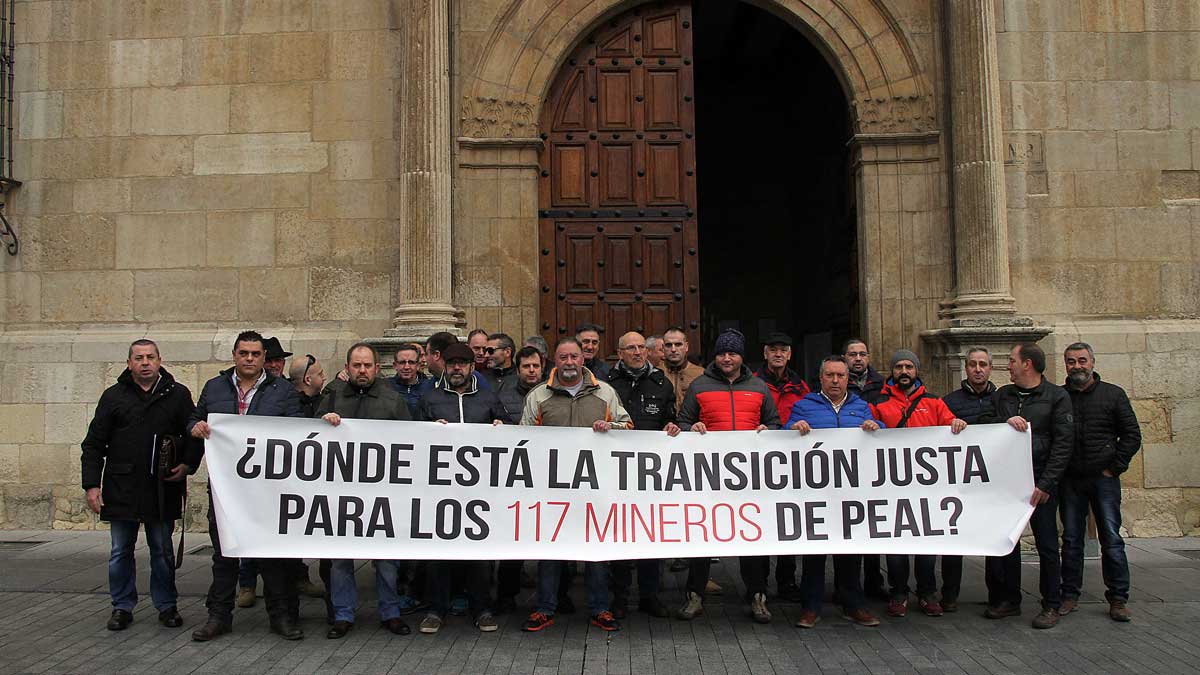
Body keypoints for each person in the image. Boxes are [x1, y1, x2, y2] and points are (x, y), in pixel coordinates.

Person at [188, 331, 306, 642]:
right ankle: (218, 616)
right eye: (244, 353)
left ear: (264, 358)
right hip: (226, 489)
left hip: (268, 490)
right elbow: (194, 418)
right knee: (224, 554)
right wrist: (194, 427)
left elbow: (296, 430)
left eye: (255, 354)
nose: (250, 359)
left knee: (274, 555)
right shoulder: (215, 387)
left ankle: (282, 616)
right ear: (234, 355)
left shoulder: (282, 390)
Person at [81, 339, 196, 631]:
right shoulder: (113, 396)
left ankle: (167, 605)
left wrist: (187, 465)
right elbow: (94, 444)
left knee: (162, 550)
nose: (145, 362)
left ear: (160, 360)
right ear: (129, 363)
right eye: (138, 358)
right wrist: (92, 486)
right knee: (120, 551)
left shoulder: (178, 395)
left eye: (150, 357)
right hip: (122, 487)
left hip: (162, 488)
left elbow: (194, 433)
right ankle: (121, 606)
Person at [520, 338, 631, 633]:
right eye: (563, 357)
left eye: (574, 357)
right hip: (552, 488)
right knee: (551, 550)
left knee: (595, 551)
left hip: (595, 488)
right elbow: (523, 437)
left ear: (583, 360)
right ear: (554, 361)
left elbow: (627, 426)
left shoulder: (605, 392)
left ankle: (600, 608)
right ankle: (544, 608)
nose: (569, 362)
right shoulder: (538, 395)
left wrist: (612, 428)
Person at [670, 329, 781, 624]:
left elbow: (774, 422)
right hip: (709, 477)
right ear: (715, 356)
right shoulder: (700, 385)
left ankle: (757, 595)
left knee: (752, 538)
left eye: (732, 353)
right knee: (703, 537)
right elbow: (683, 421)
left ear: (741, 356)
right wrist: (692, 428)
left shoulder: (758, 387)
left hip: (750, 479)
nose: (727, 358)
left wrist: (768, 432)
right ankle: (694, 595)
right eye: (721, 353)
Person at [317, 343, 415, 639]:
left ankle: (391, 612)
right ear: (347, 368)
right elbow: (310, 438)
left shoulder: (392, 400)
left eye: (367, 366)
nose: (362, 371)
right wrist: (324, 422)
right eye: (356, 365)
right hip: (342, 492)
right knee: (341, 558)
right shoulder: (332, 396)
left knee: (386, 560)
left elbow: (412, 441)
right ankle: (343, 615)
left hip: (381, 492)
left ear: (376, 368)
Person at [413, 342, 507, 634]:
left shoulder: (488, 398)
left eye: (462, 363)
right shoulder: (431, 398)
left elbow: (510, 430)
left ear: (470, 367)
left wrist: (501, 425)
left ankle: (481, 609)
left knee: (478, 554)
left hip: (479, 492)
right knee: (440, 553)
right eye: (452, 362)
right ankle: (436, 609)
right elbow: (412, 435)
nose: (456, 368)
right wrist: (429, 430)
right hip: (441, 491)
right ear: (445, 365)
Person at [786, 355, 883, 629]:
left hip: (851, 492)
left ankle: (853, 605)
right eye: (830, 375)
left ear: (848, 378)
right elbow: (783, 435)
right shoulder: (804, 406)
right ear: (821, 377)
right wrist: (793, 428)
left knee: (850, 552)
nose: (836, 380)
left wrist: (877, 428)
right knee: (815, 552)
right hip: (816, 492)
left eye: (840, 375)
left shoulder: (861, 406)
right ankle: (810, 608)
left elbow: (885, 437)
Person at [984, 343, 1074, 629]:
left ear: (1028, 364)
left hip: (1040, 483)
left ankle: (1051, 604)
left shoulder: (1057, 397)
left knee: (1047, 544)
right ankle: (1009, 599)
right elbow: (986, 424)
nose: (1008, 365)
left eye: (1012, 360)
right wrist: (1003, 420)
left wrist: (1047, 482)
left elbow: (1063, 443)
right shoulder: (1003, 396)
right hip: (1009, 483)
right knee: (1008, 542)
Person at [871, 350, 967, 619]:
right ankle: (898, 593)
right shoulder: (879, 403)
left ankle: (927, 593)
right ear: (892, 371)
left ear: (916, 370)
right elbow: (868, 431)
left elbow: (950, 425)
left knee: (926, 542)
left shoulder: (934, 402)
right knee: (896, 543)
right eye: (899, 366)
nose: (904, 371)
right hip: (891, 487)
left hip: (927, 489)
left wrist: (956, 424)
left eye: (909, 366)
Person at [1058, 342, 1141, 622]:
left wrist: (1114, 468)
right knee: (1071, 540)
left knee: (1111, 538)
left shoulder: (1113, 395)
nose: (1077, 366)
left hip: (1102, 479)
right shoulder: (1060, 397)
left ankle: (1118, 598)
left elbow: (1131, 435)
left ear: (1092, 362)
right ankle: (1069, 595)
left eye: (1082, 360)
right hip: (1070, 479)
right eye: (1071, 361)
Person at [605, 331, 675, 618]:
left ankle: (650, 596)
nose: (637, 352)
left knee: (650, 536)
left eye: (641, 348)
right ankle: (619, 598)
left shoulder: (661, 383)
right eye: (630, 348)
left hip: (650, 474)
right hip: (615, 472)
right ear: (619, 353)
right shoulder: (606, 384)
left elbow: (671, 418)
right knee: (619, 537)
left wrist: (673, 426)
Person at [753, 331, 810, 601]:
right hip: (759, 462)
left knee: (788, 524)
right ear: (765, 353)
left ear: (789, 354)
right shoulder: (752, 383)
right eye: (773, 349)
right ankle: (759, 584)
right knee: (761, 523)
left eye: (783, 349)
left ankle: (786, 581)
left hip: (791, 464)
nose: (778, 354)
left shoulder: (801, 387)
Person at [938, 346, 997, 611]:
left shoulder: (1002, 400)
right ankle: (949, 595)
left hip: (992, 481)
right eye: (972, 364)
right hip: (960, 481)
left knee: (994, 537)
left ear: (990, 368)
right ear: (965, 367)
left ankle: (999, 595)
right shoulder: (950, 401)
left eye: (982, 364)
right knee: (954, 539)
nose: (977, 369)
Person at [494, 345, 547, 614]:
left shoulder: (552, 393)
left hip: (550, 478)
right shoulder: (502, 395)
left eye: (536, 366)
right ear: (518, 370)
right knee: (511, 540)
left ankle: (554, 596)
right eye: (526, 366)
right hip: (516, 477)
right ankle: (506, 595)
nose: (531, 370)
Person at [841, 337, 887, 599]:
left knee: (870, 528)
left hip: (868, 468)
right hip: (840, 471)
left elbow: (884, 424)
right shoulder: (819, 395)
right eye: (852, 354)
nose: (858, 358)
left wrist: (877, 427)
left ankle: (873, 581)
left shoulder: (883, 388)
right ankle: (846, 586)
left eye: (862, 354)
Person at [661, 326, 704, 410]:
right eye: (668, 345)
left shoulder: (700, 374)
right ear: (663, 348)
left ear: (686, 346)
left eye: (678, 344)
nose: (673, 349)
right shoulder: (655, 373)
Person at [486, 333, 524, 423]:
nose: (486, 355)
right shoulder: (482, 379)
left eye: (491, 351)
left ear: (507, 352)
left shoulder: (522, 378)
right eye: (485, 351)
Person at [389, 343, 427, 414]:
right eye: (402, 362)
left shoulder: (430, 388)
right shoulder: (385, 387)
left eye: (411, 362)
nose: (406, 367)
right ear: (395, 366)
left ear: (418, 365)